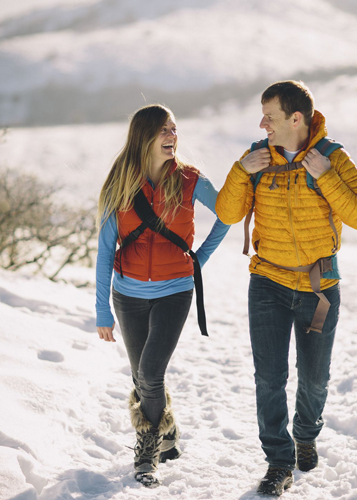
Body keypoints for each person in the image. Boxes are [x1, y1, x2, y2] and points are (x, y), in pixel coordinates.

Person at [215, 81, 357, 496]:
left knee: (315, 378)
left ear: (295, 119)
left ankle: (306, 435)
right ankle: (278, 462)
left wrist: (327, 179)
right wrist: (239, 172)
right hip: (267, 282)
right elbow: (228, 213)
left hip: (319, 288)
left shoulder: (333, 158)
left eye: (269, 115)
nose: (262, 123)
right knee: (269, 378)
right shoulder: (256, 158)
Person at [95, 104, 229, 488]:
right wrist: (101, 308)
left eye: (174, 129)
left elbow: (227, 214)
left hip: (175, 291)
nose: (172, 135)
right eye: (163, 130)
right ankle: (167, 432)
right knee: (142, 378)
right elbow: (106, 249)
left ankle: (148, 450)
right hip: (127, 294)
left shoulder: (189, 179)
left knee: (151, 372)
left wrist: (197, 260)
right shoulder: (118, 182)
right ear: (144, 136)